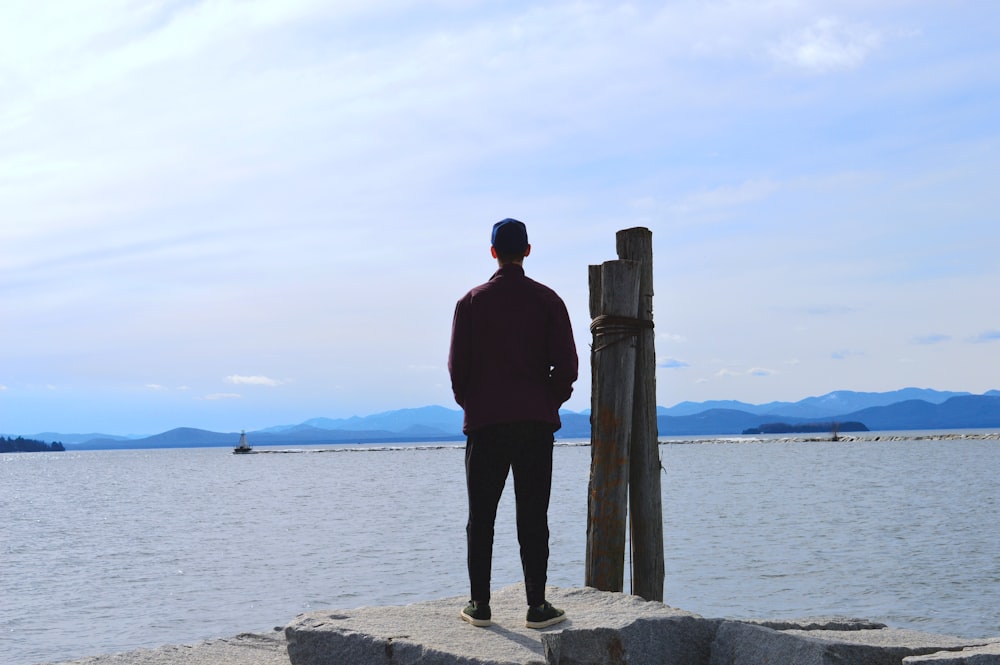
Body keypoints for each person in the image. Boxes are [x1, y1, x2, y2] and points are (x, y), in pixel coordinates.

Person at [448, 218, 579, 629]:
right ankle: (537, 606)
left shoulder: (470, 302)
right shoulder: (548, 300)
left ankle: (480, 605)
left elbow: (457, 369)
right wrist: (548, 400)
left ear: (492, 252)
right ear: (527, 250)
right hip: (534, 425)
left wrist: (473, 404)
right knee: (533, 516)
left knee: (481, 516)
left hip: (485, 424)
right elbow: (569, 367)